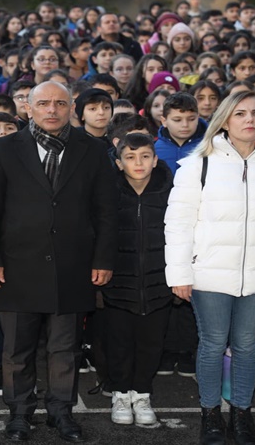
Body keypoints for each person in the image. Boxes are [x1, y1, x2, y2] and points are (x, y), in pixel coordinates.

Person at [164, 90, 255, 445]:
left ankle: (242, 414)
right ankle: (210, 414)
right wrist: (180, 273)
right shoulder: (199, 163)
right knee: (213, 343)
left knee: (247, 345)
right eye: (241, 113)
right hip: (209, 275)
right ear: (225, 120)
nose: (250, 119)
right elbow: (179, 223)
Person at [0, 81, 118, 442]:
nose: (52, 110)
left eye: (60, 103)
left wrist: (103, 258)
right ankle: (19, 412)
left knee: (65, 349)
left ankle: (61, 412)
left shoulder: (93, 149)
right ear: (28, 108)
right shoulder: (4, 149)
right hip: (15, 266)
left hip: (73, 266)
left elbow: (106, 211)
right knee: (16, 350)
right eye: (43, 103)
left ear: (71, 108)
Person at [104, 133, 173, 427]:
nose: (139, 163)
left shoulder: (170, 191)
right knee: (119, 343)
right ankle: (120, 394)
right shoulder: (107, 192)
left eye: (145, 156)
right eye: (130, 157)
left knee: (151, 343)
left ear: (155, 160)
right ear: (119, 163)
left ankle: (142, 393)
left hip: (159, 284)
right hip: (118, 284)